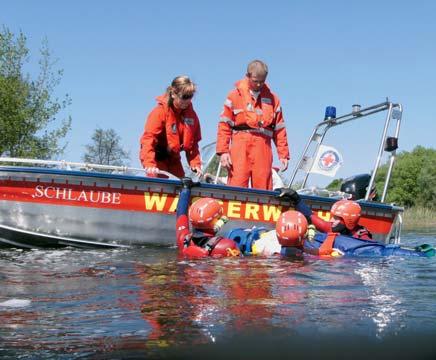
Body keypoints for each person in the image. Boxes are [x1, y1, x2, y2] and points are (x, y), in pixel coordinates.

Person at [216, 60, 290, 190]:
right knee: (236, 184)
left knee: (263, 185)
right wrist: (223, 152)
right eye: (256, 81)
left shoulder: (273, 99)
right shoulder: (234, 96)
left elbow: (279, 129)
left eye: (262, 81)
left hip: (263, 146)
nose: (259, 84)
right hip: (240, 144)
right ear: (248, 75)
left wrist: (283, 155)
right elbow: (224, 125)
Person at [140, 76, 203, 178]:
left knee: (182, 186)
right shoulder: (160, 112)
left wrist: (195, 164)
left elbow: (193, 144)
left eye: (190, 96)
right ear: (173, 94)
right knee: (160, 187)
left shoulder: (192, 116)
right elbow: (148, 139)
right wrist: (149, 164)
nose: (187, 100)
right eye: (184, 96)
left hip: (174, 159)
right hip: (157, 158)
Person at [176, 178, 241, 258]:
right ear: (217, 223)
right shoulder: (227, 246)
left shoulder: (182, 239)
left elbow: (181, 214)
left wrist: (186, 188)